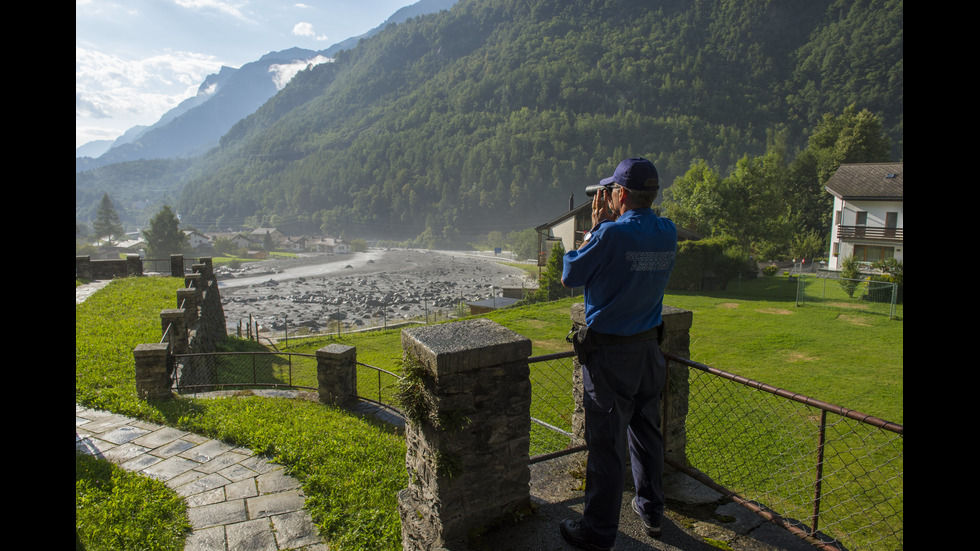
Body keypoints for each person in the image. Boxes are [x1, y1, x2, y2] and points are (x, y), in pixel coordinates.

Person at [559, 157, 677, 551]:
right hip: (649, 352)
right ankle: (652, 511)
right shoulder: (667, 231)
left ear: (620, 194)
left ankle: (598, 532)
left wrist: (596, 227)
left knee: (607, 449)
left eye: (611, 191)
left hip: (610, 359)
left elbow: (570, 275)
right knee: (647, 436)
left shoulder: (610, 235)